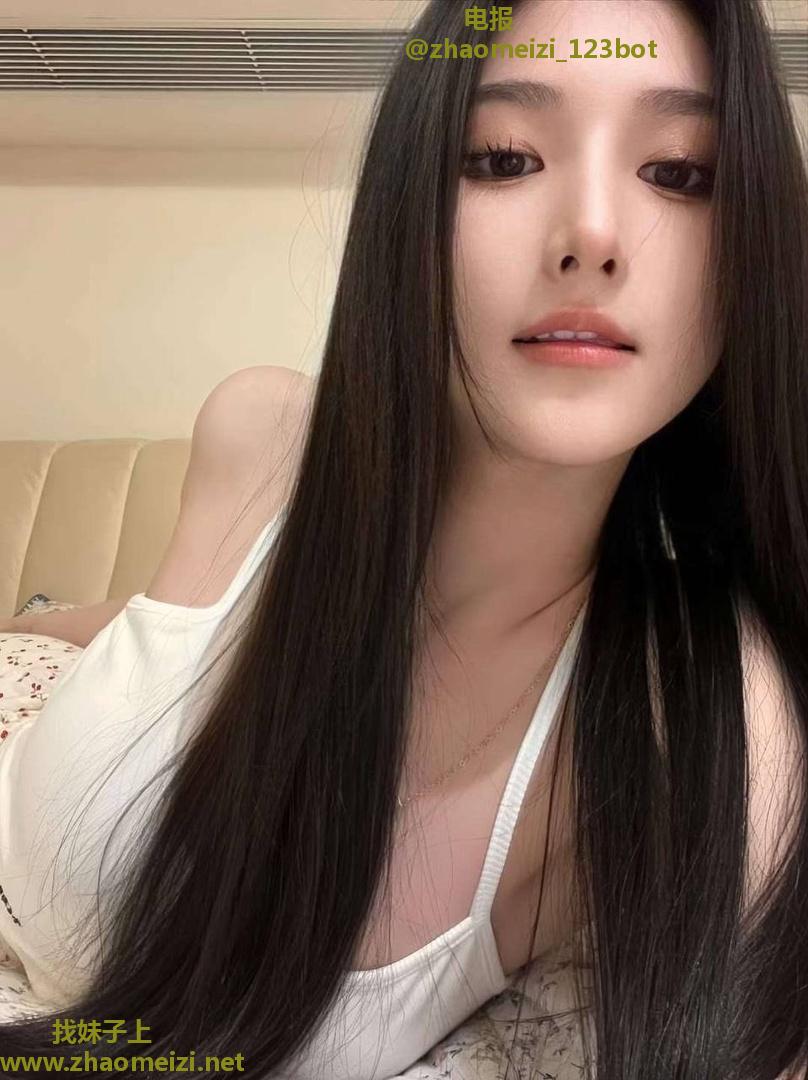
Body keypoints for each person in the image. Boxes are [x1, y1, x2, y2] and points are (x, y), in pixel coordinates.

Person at [0, 1, 806, 1077]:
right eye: (503, 157)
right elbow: (158, 626)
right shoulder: (264, 431)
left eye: (679, 172)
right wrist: (39, 627)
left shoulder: (704, 711)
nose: (593, 235)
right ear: (406, 209)